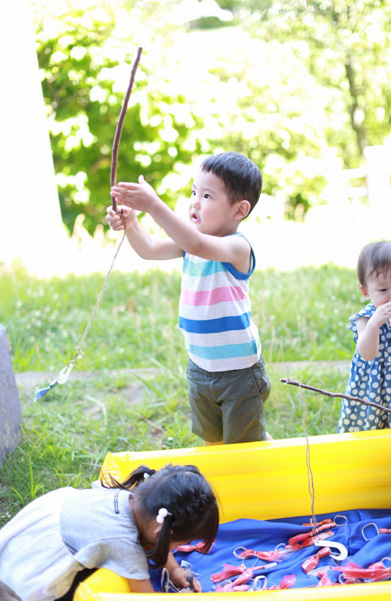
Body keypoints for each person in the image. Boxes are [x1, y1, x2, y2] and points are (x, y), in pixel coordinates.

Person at [106, 151, 271, 445]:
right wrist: (132, 224)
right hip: (200, 366)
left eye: (207, 196)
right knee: (213, 440)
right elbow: (150, 249)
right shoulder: (190, 244)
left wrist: (153, 205)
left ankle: (281, 468)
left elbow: (195, 242)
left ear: (239, 210)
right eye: (194, 191)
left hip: (239, 373)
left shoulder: (236, 247)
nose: (194, 201)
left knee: (246, 444)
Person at [0, 463, 219, 599]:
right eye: (179, 544)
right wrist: (184, 598)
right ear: (161, 530)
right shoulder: (125, 546)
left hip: (41, 523)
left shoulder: (131, 499)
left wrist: (174, 570)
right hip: (24, 573)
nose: (178, 549)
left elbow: (160, 536)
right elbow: (147, 599)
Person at [337, 240, 391, 433]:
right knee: (373, 424)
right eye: (383, 290)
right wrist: (375, 323)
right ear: (366, 292)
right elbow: (367, 353)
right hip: (374, 386)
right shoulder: (364, 318)